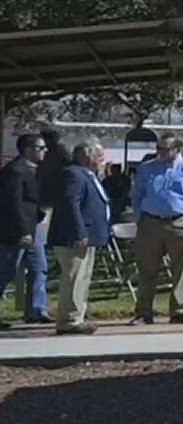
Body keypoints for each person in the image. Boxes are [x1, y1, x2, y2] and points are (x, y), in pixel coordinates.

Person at [129, 133, 183, 325]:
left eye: (165, 149)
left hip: (180, 222)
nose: (160, 153)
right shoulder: (147, 169)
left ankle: (179, 309)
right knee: (147, 269)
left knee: (180, 269)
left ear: (177, 149)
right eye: (158, 148)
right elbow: (137, 194)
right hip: (150, 222)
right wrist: (139, 217)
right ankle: (144, 312)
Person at [48, 138, 109, 335]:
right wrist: (79, 232)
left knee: (82, 277)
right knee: (73, 277)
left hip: (88, 236)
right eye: (98, 154)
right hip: (73, 237)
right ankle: (69, 320)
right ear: (85, 156)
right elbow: (70, 205)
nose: (102, 159)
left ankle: (78, 316)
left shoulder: (88, 174)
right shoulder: (73, 174)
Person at [0, 134, 50, 327]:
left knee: (39, 268)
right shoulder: (15, 171)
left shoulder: (32, 170)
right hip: (17, 232)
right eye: (41, 148)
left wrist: (39, 215)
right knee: (6, 272)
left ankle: (36, 310)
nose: (44, 151)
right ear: (28, 150)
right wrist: (23, 231)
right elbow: (13, 204)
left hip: (34, 229)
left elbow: (31, 200)